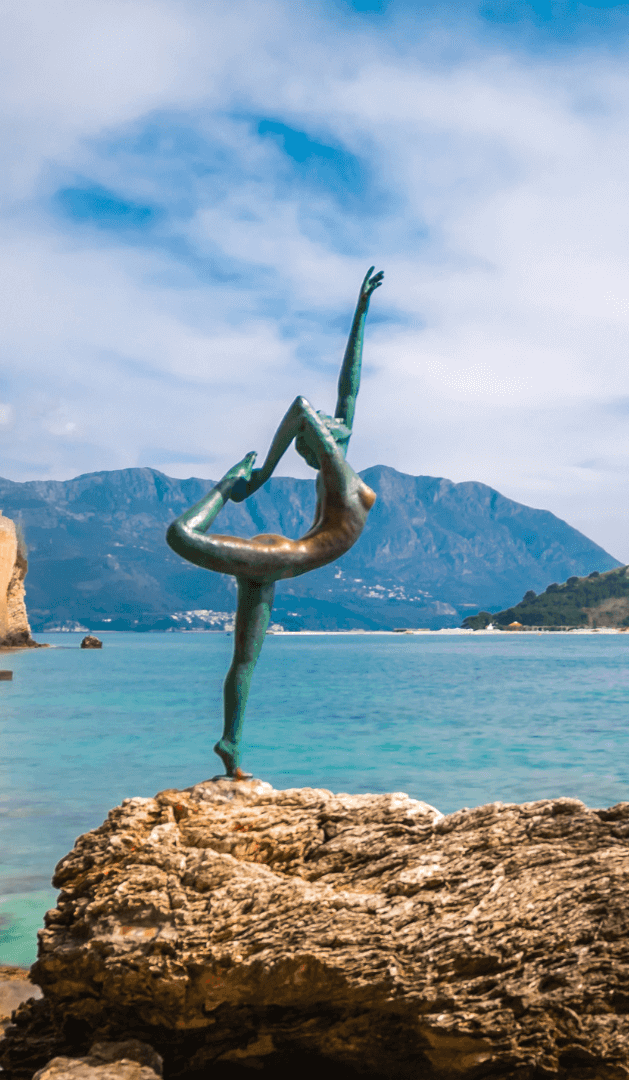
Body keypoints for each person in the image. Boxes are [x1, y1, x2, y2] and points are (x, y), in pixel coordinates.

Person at [165, 267, 383, 779]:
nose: (339, 424)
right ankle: (224, 484)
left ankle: (231, 744)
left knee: (245, 662)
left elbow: (348, 388)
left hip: (280, 560)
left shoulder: (340, 461)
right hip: (281, 557)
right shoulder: (333, 473)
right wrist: (257, 476)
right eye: (329, 431)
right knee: (180, 536)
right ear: (319, 444)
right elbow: (302, 408)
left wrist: (361, 313)